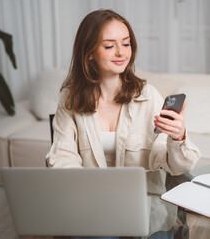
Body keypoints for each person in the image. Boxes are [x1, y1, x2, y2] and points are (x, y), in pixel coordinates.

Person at [46, 9, 201, 176]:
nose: (121, 52)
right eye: (109, 45)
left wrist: (178, 138)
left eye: (126, 44)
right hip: (89, 196)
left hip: (142, 197)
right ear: (89, 52)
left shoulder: (148, 97)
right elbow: (63, 157)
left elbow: (176, 167)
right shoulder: (70, 98)